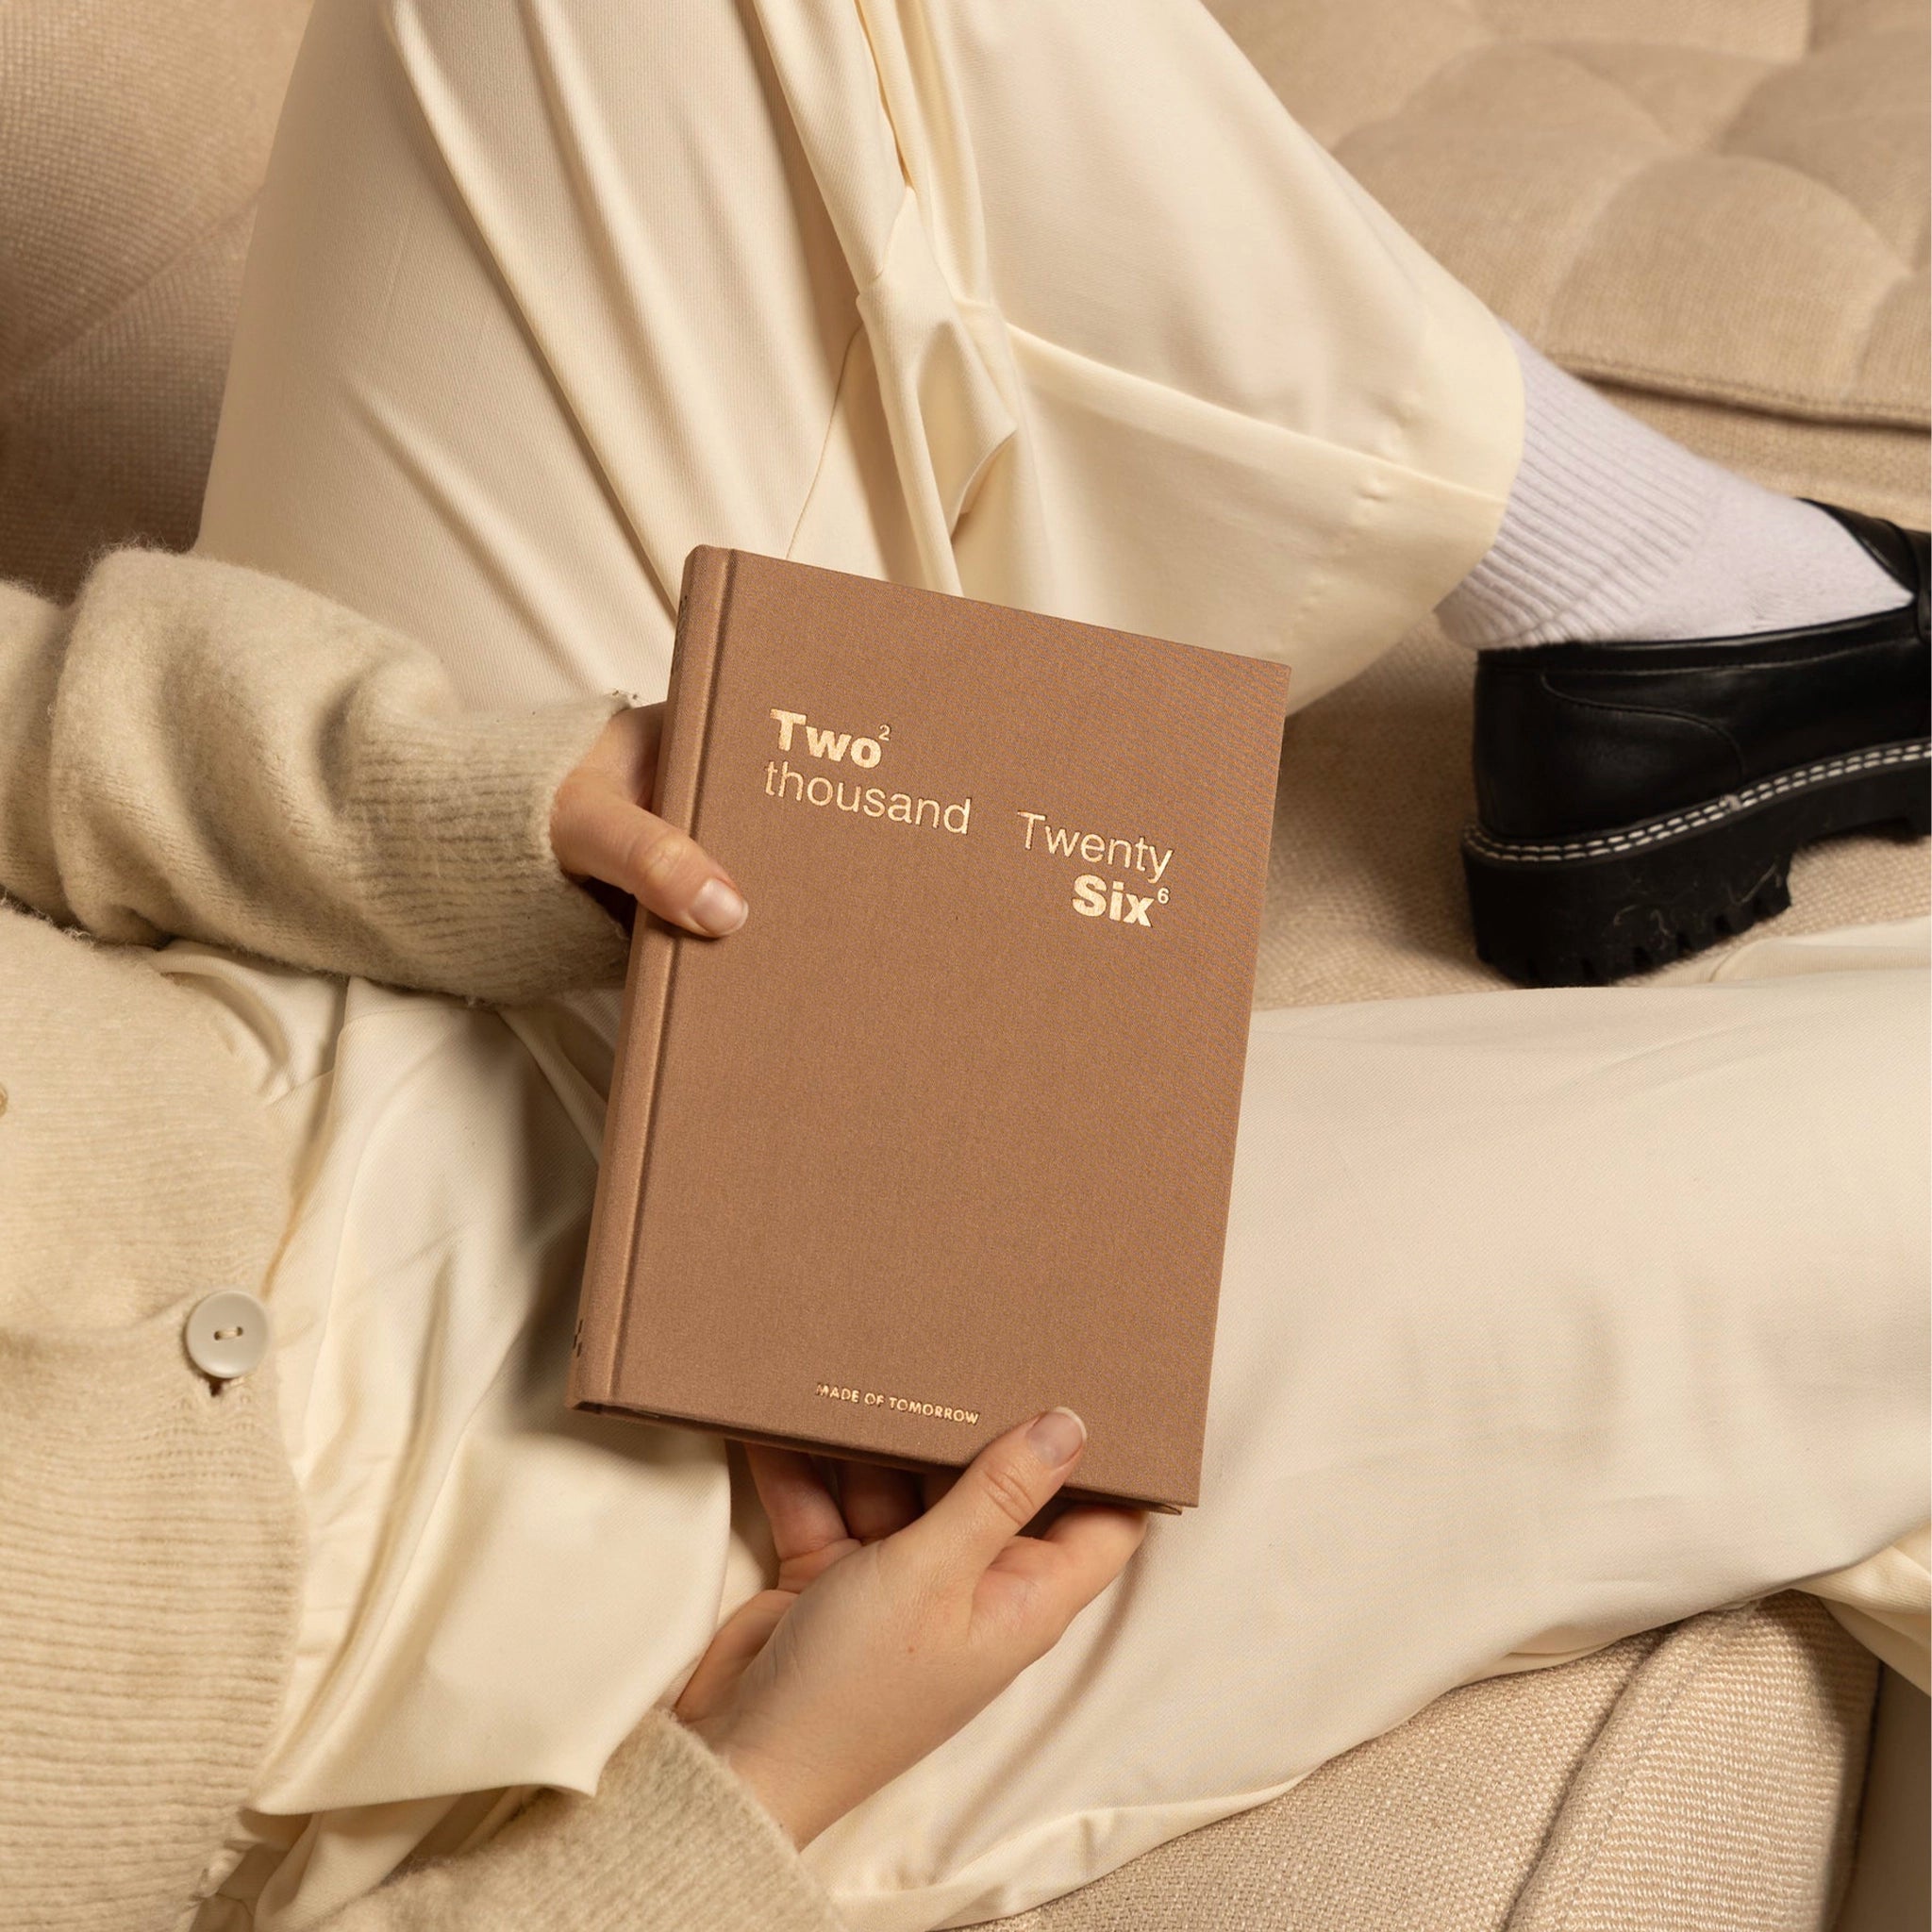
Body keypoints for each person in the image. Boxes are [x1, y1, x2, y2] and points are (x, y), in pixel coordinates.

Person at [1, 2, 1924, 1928]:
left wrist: (468, 806)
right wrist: (745, 1796)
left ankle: (1665, 608)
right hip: (544, 1620)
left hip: (291, 970)